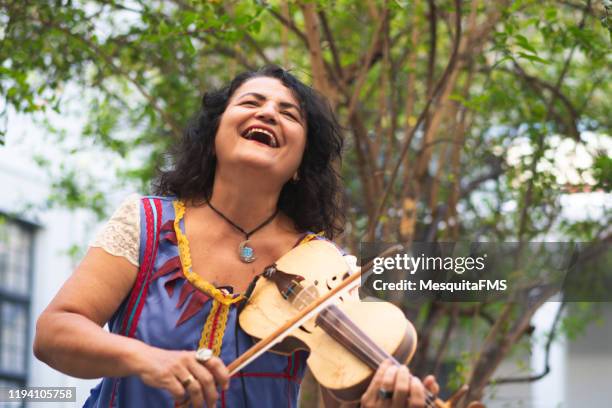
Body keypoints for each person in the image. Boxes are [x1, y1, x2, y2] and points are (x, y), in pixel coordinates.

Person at [34, 65, 439, 408]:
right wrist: (148, 360)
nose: (267, 114)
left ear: (300, 163)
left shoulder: (326, 266)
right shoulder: (146, 223)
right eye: (251, 102)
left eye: (289, 114)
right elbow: (54, 333)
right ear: (214, 137)